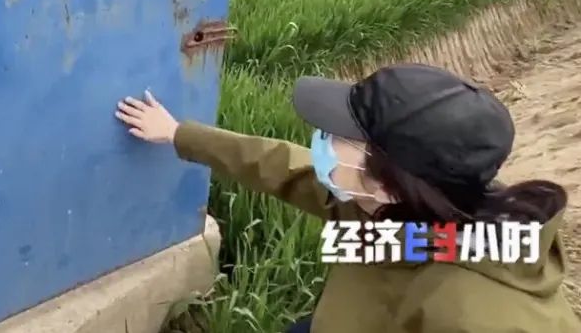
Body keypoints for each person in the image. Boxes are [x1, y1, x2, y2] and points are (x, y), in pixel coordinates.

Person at [115, 63, 579, 332]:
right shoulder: (408, 215)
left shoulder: (478, 314)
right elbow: (283, 166)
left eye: (339, 137)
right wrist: (179, 134)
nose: (321, 142)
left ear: (388, 178)